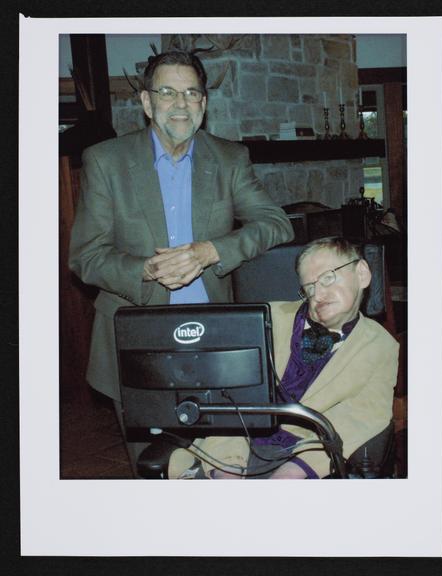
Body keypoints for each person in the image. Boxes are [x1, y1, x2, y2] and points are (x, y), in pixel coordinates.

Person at [68, 50, 293, 475]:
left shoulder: (228, 159)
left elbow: (275, 223)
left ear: (204, 105)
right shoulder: (106, 161)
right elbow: (86, 256)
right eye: (167, 93)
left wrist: (211, 251)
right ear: (147, 103)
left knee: (219, 461)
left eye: (192, 93)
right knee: (154, 467)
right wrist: (145, 269)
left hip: (214, 337)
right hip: (134, 335)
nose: (180, 104)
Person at [168, 237, 399, 479]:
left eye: (327, 278)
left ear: (362, 273)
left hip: (306, 451)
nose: (317, 294)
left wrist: (296, 471)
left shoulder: (381, 346)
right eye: (309, 287)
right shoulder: (261, 318)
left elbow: (362, 416)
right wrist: (227, 468)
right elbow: (227, 392)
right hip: (235, 444)